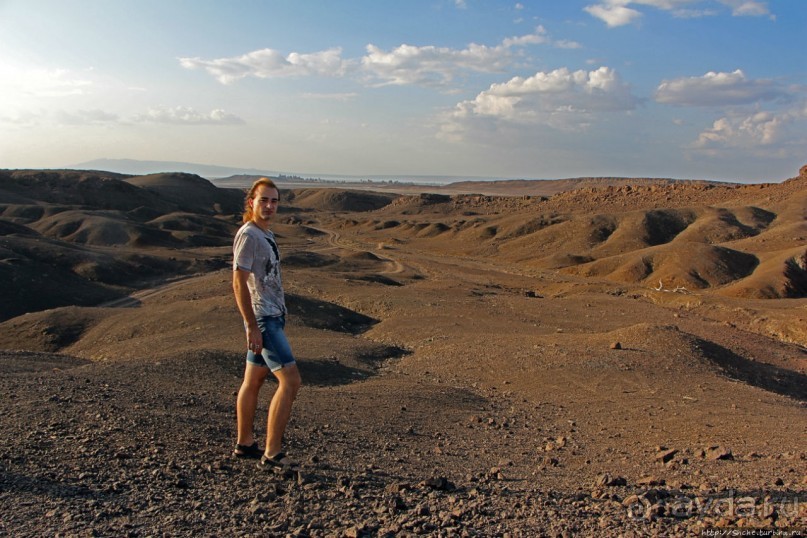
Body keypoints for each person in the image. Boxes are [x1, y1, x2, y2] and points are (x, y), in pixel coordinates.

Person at [231, 178, 301, 470]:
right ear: (251, 203)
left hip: (270, 316)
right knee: (291, 381)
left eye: (274, 201)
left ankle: (245, 443)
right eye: (264, 200)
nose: (270, 206)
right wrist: (251, 325)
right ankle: (272, 454)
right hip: (264, 319)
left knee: (254, 380)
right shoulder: (249, 235)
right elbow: (238, 281)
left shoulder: (264, 233)